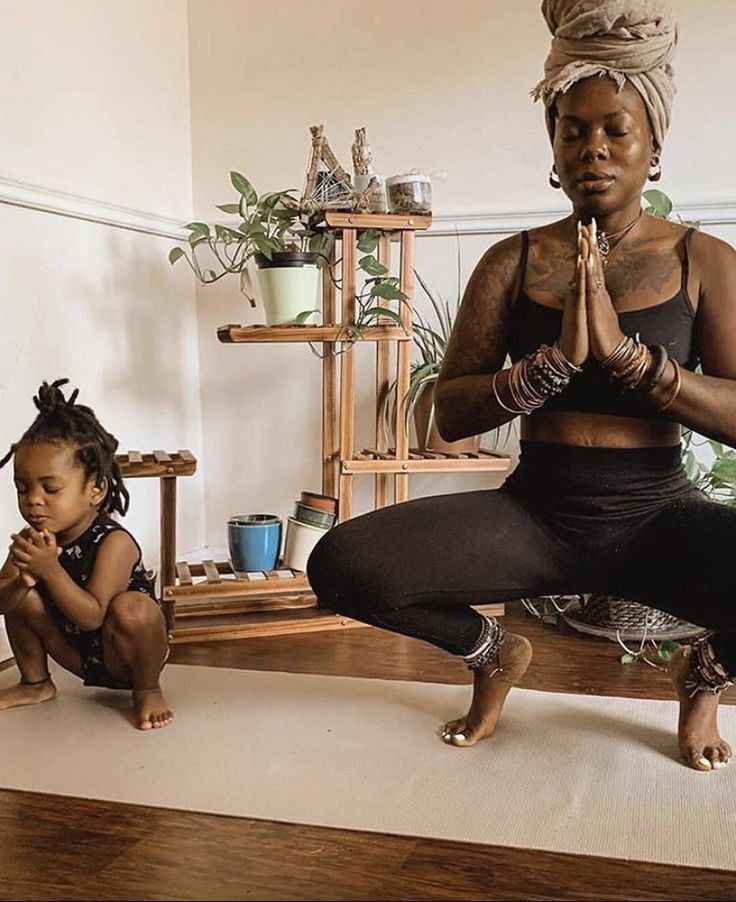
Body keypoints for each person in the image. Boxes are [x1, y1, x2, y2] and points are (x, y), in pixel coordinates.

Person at [307, 0, 736, 772]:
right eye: (573, 131)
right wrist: (550, 367)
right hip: (535, 513)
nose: (593, 150)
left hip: (654, 515)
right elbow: (450, 418)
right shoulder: (512, 262)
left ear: (654, 146)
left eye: (615, 130)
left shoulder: (704, 262)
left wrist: (632, 362)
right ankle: (492, 652)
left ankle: (703, 674)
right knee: (341, 566)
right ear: (552, 143)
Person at [0, 379, 173, 730]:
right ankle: (35, 683)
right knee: (22, 596)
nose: (34, 499)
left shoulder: (113, 542)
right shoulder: (33, 542)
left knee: (133, 608)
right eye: (23, 488)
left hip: (125, 654)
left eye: (51, 488)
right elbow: (2, 604)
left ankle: (149, 690)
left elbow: (93, 616)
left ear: (95, 489)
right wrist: (20, 582)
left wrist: (49, 571)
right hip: (76, 655)